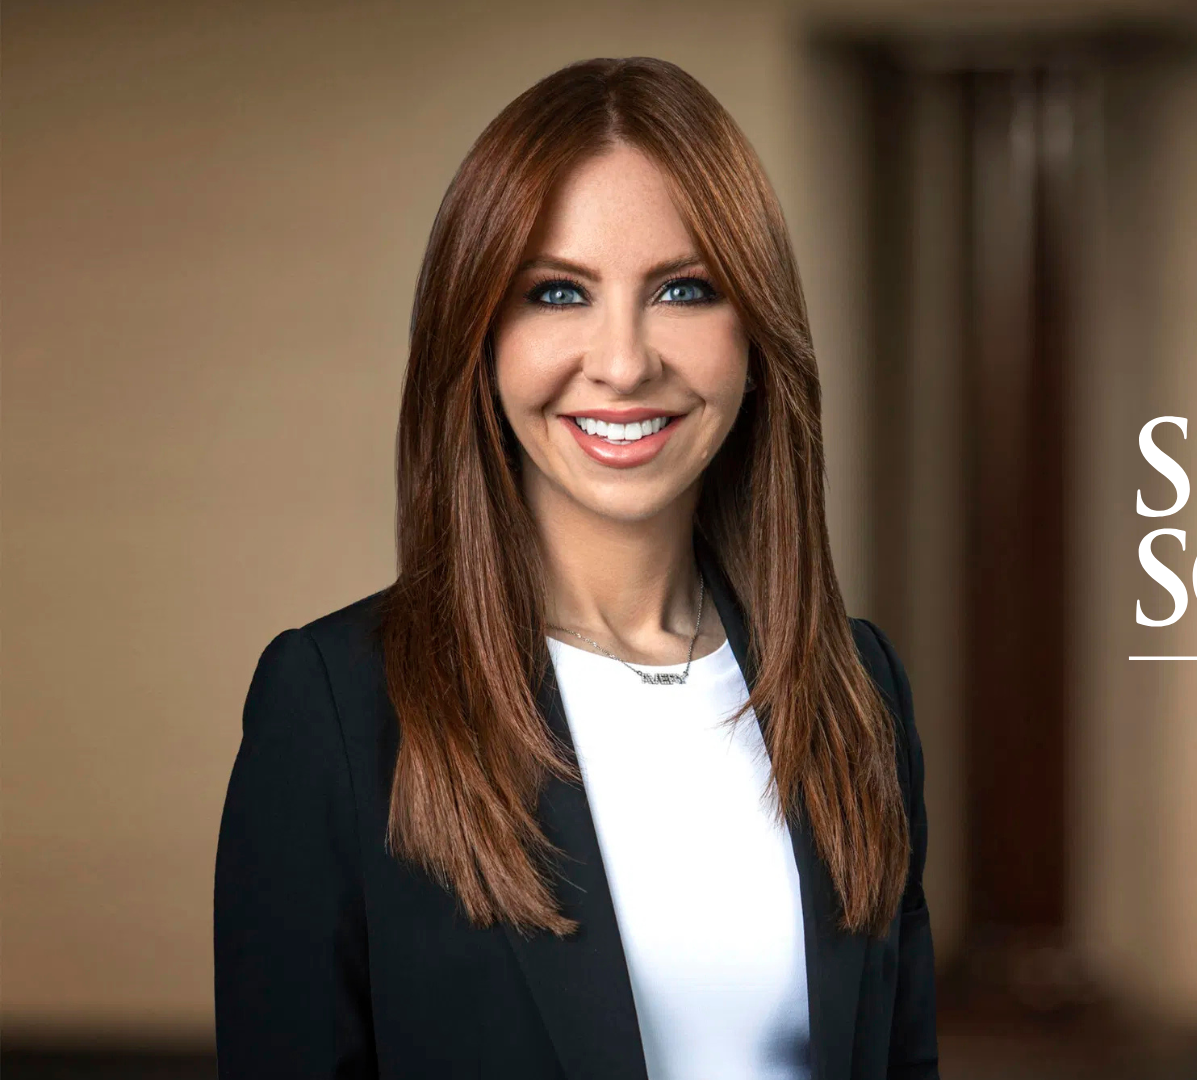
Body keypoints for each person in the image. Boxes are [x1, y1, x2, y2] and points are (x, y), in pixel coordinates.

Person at [212, 56, 937, 1080]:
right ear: (481, 335)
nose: (625, 360)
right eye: (558, 292)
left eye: (685, 289)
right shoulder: (336, 708)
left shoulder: (856, 691)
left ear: (756, 335)